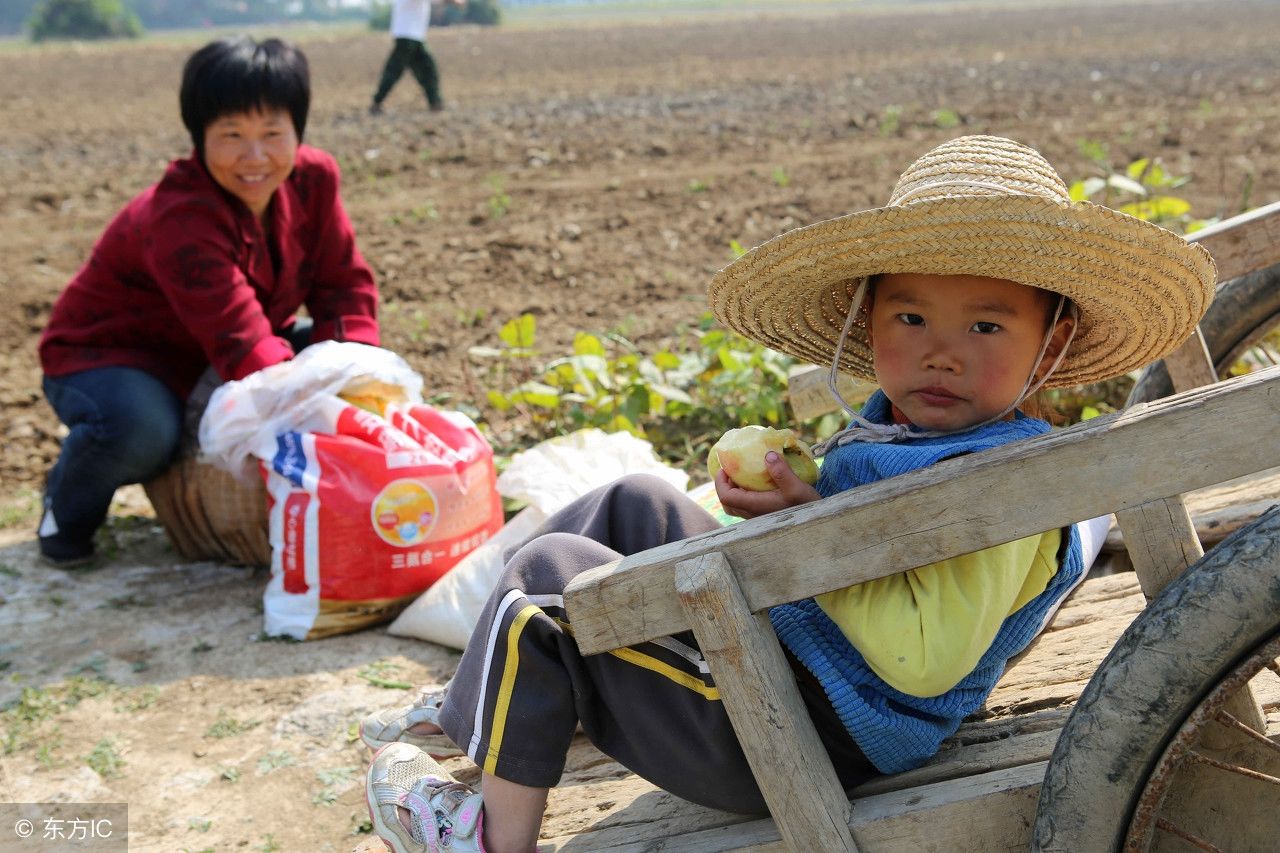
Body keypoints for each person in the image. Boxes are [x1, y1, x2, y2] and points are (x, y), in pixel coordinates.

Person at [360, 135, 1215, 853]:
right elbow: (871, 539)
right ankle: (487, 700)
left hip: (803, 731)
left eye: (985, 325)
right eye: (911, 319)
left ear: (1052, 343)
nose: (941, 353)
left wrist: (811, 531)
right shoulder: (910, 434)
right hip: (800, 671)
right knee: (632, 502)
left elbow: (924, 656)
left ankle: (484, 836)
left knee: (551, 586)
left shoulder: (1001, 484)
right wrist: (801, 502)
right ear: (866, 318)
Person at [36, 36, 379, 567]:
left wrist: (358, 384)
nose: (255, 157)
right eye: (232, 136)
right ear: (199, 139)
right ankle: (65, 507)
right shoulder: (180, 215)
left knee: (344, 360)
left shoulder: (314, 180)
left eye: (272, 133)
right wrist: (314, 404)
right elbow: (238, 336)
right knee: (144, 433)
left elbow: (343, 288)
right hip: (115, 358)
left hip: (219, 348)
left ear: (298, 131)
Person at [369, 0, 462, 116]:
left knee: (428, 69)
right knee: (394, 71)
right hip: (407, 36)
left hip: (414, 36)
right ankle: (376, 103)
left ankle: (435, 103)